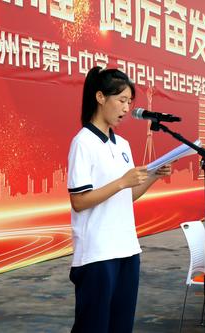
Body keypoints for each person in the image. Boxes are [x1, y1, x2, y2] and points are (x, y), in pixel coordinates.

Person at [67, 66, 171, 333]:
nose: (126, 109)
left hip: (127, 249)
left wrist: (152, 177)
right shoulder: (83, 142)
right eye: (121, 100)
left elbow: (127, 196)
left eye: (129, 102)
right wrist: (121, 182)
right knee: (93, 326)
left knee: (121, 326)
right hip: (97, 254)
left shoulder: (122, 144)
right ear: (100, 97)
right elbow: (79, 201)